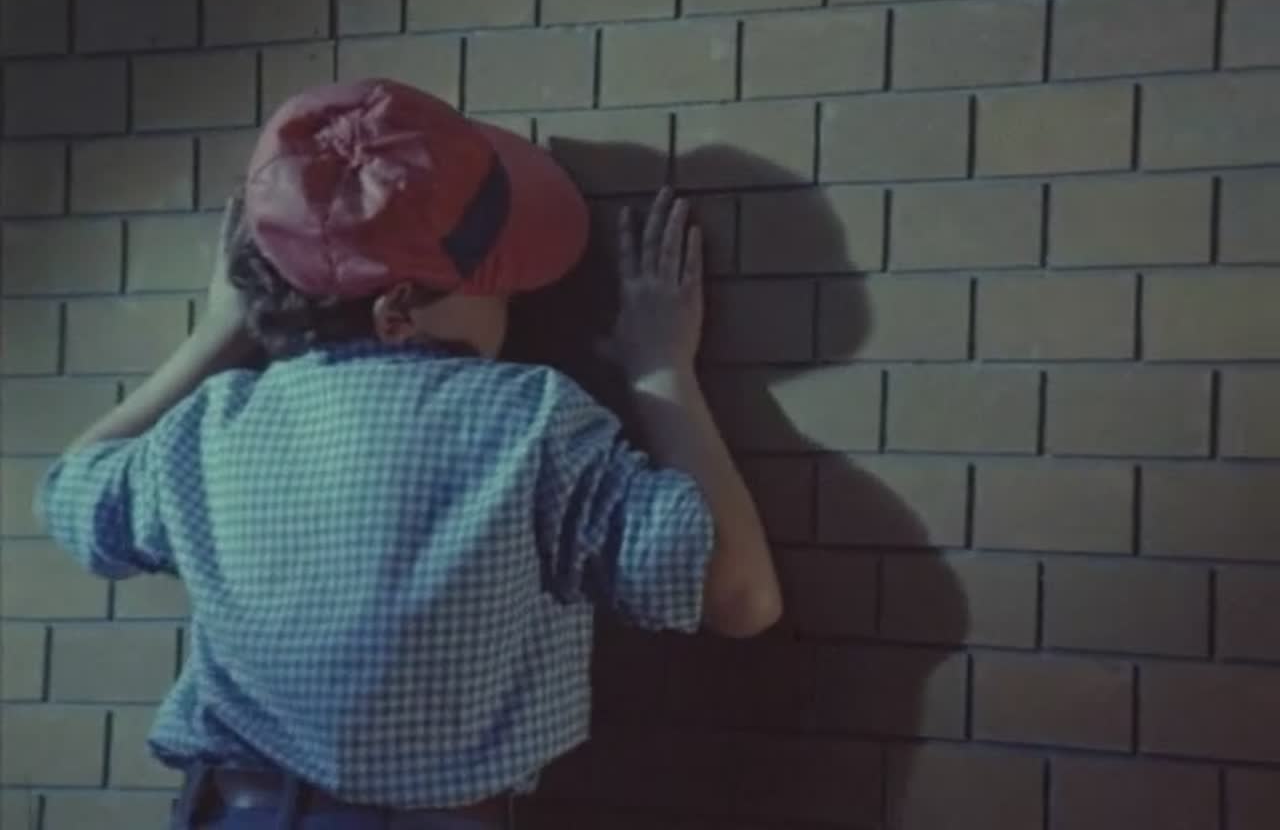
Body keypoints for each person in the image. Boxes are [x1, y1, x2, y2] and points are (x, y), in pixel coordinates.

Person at [36, 79, 782, 829]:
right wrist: (661, 369)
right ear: (396, 312)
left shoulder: (210, 426)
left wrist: (216, 334)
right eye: (493, 281)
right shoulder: (529, 422)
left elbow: (70, 491)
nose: (511, 298)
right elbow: (743, 598)